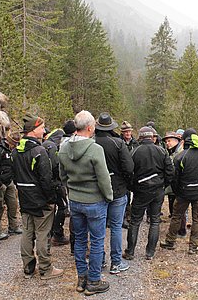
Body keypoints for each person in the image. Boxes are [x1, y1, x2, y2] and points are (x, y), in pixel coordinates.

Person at [58, 110, 113, 296]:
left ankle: (82, 279)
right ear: (90, 127)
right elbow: (104, 179)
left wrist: (73, 189)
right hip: (95, 201)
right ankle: (94, 281)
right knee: (97, 242)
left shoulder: (64, 148)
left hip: (75, 201)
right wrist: (109, 197)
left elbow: (62, 176)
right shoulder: (95, 149)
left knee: (80, 240)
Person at [12, 114, 63, 280]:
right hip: (41, 201)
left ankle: (27, 268)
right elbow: (46, 179)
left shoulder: (15, 150)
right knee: (42, 234)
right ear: (33, 130)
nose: (44, 131)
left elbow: (14, 176)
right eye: (41, 128)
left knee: (27, 233)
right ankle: (46, 269)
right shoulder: (39, 151)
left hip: (25, 199)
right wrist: (51, 199)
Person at [160, 128, 198, 254]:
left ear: (184, 141)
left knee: (176, 217)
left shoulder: (180, 157)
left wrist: (178, 192)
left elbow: (175, 178)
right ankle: (193, 247)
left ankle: (170, 241)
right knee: (197, 219)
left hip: (183, 193)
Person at [123, 126, 174, 260]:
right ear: (152, 137)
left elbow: (128, 172)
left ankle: (130, 252)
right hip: (157, 191)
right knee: (155, 221)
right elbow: (170, 171)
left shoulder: (135, 152)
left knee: (135, 221)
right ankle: (150, 253)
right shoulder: (162, 151)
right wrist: (163, 185)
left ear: (140, 137)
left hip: (141, 191)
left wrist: (133, 187)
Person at [95, 113, 134, 274]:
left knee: (98, 228)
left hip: (97, 191)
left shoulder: (92, 143)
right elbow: (129, 168)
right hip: (117, 190)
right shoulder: (118, 144)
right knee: (116, 227)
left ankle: (100, 260)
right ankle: (116, 262)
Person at [0, 134, 22, 240]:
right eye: (15, 144)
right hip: (0, 184)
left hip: (10, 182)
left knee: (13, 205)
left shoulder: (11, 151)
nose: (16, 146)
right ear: (10, 142)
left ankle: (13, 226)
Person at [42, 127, 70, 246]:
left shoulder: (44, 144)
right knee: (62, 207)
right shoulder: (52, 147)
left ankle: (49, 234)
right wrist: (61, 179)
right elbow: (55, 165)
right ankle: (57, 234)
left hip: (46, 182)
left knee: (51, 208)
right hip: (54, 183)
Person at [162, 131, 187, 237]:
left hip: (179, 186)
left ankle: (181, 231)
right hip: (174, 186)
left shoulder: (180, 153)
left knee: (179, 209)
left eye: (169, 141)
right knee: (174, 207)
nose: (167, 143)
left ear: (177, 141)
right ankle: (178, 229)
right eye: (166, 141)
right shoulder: (172, 152)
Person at [61, 119, 76, 254]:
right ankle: (76, 246)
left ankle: (73, 246)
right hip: (75, 184)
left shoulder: (61, 144)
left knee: (73, 214)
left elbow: (62, 171)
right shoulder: (72, 144)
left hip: (68, 183)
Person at [120, 120, 138, 229]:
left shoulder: (135, 143)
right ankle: (123, 216)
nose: (128, 133)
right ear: (122, 132)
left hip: (134, 172)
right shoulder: (119, 142)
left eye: (129, 131)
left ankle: (130, 215)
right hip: (123, 173)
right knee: (124, 195)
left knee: (134, 195)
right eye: (125, 132)